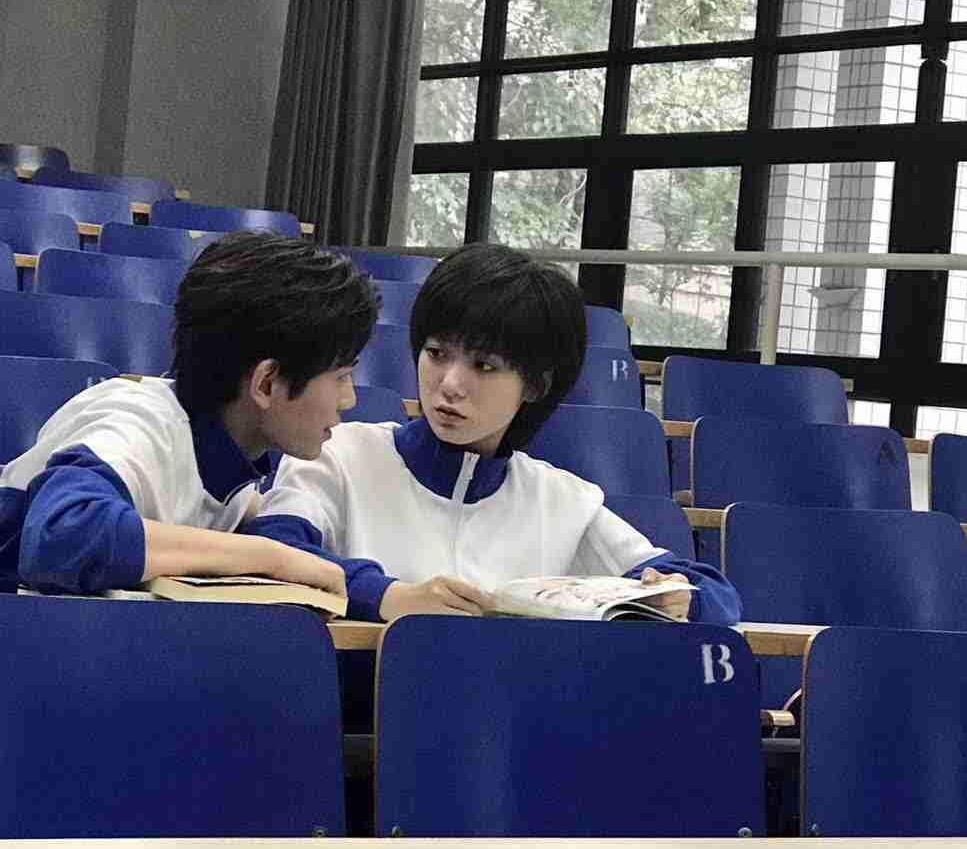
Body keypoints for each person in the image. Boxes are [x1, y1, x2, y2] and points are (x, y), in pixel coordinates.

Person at [248, 242, 742, 624]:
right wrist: (387, 596)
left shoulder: (562, 501)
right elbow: (274, 552)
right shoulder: (339, 454)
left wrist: (677, 598)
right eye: (437, 354)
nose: (450, 384)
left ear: (535, 384)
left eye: (484, 365)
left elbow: (712, 592)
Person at [0, 231, 379, 598]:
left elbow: (299, 560)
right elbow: (60, 535)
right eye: (341, 377)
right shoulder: (136, 424)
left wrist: (384, 594)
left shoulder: (229, 463)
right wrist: (268, 558)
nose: (348, 400)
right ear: (266, 384)